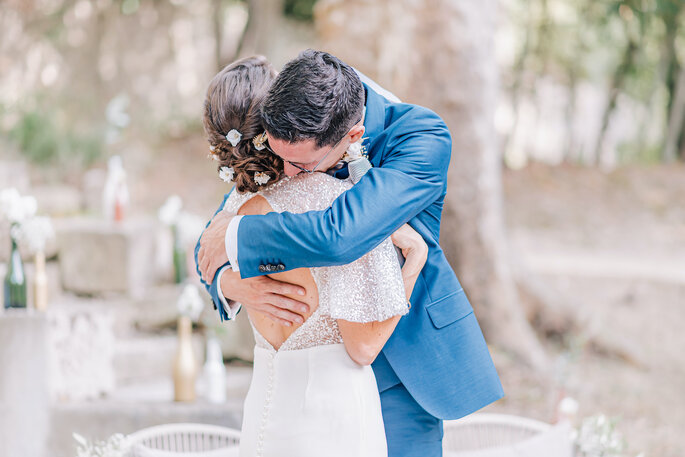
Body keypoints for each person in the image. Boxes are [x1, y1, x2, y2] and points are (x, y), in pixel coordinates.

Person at [197, 50, 504, 457]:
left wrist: (240, 239)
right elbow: (215, 236)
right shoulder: (296, 113)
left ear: (353, 136)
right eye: (279, 159)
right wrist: (231, 282)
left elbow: (341, 235)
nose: (285, 174)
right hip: (308, 378)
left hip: (399, 363)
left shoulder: (420, 137)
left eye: (301, 165)